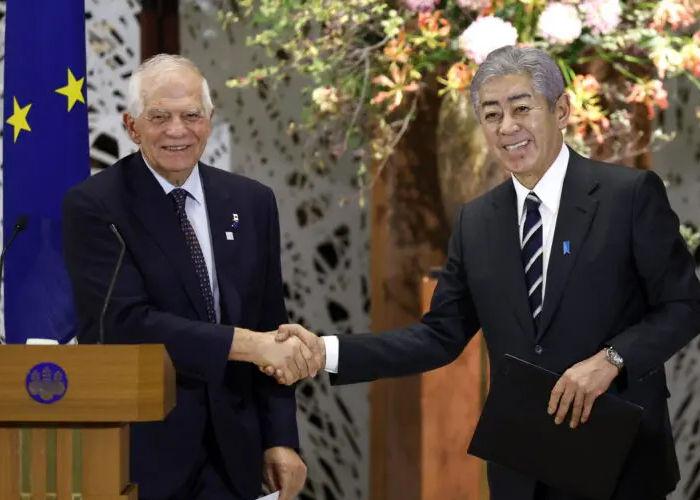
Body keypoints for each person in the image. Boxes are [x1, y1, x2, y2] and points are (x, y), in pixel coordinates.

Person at [266, 45, 700, 500]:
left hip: (620, 460)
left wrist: (611, 360)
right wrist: (325, 351)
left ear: (562, 110)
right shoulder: (477, 220)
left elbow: (683, 307)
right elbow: (438, 336)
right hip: (522, 467)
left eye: (521, 108)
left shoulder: (627, 195)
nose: (507, 127)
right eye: (492, 115)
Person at [62, 54, 321, 500]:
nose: (177, 131)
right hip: (140, 452)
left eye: (190, 115)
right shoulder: (95, 206)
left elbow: (270, 323)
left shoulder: (252, 201)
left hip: (234, 452)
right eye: (159, 117)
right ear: (132, 126)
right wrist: (246, 344)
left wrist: (280, 437)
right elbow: (123, 324)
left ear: (210, 119)